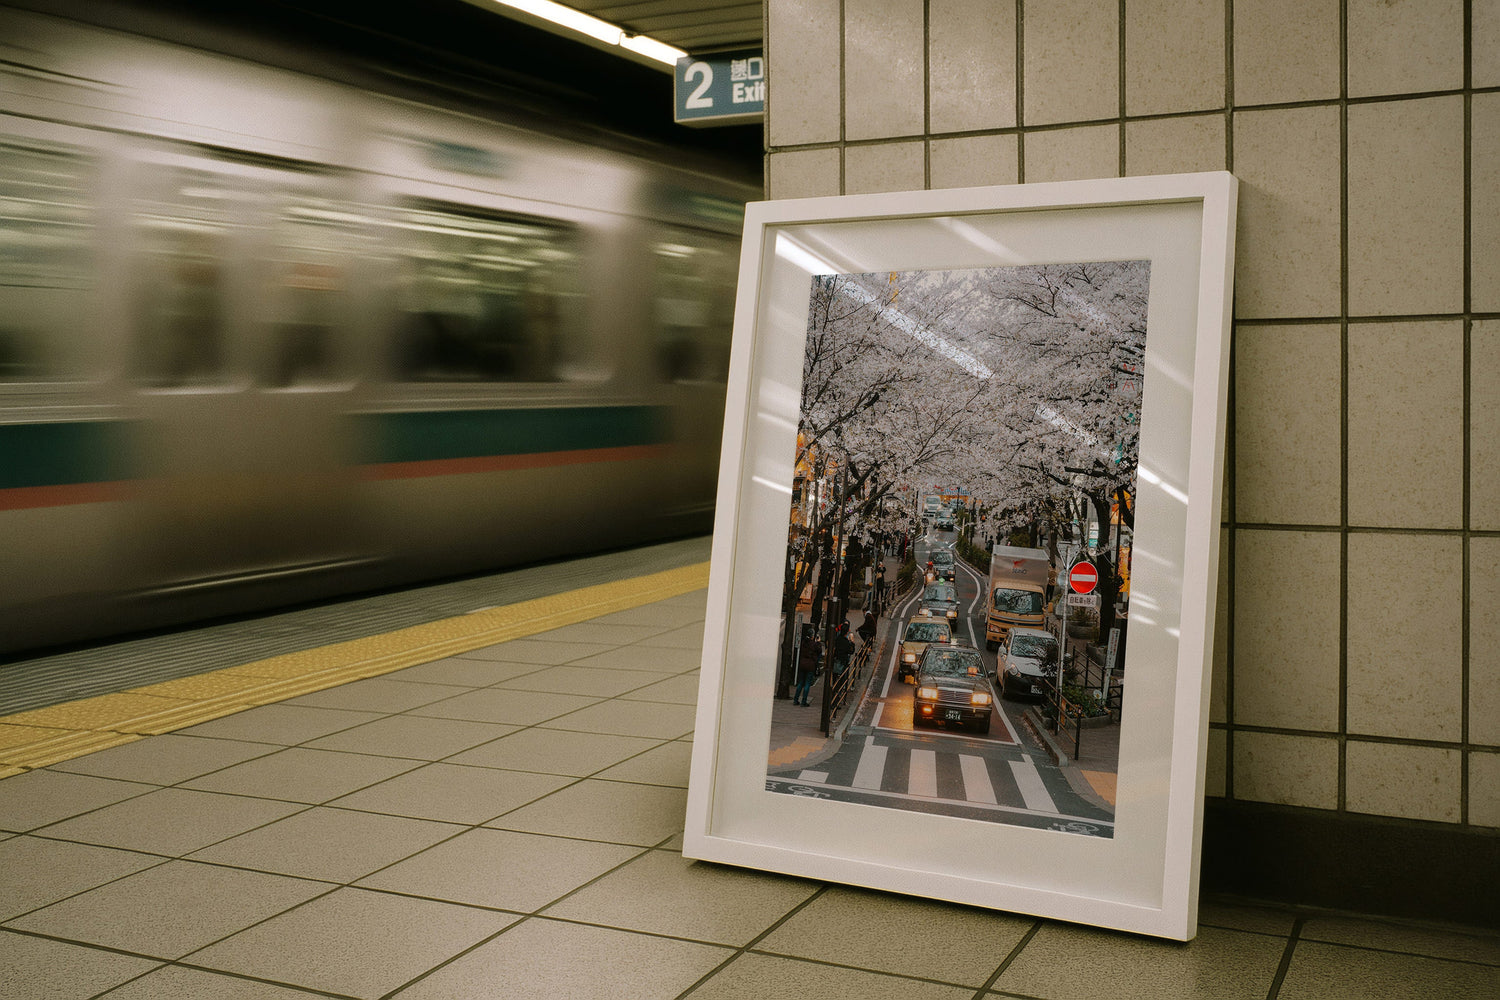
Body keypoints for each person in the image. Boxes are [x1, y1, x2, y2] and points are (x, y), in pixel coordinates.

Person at [794, 631, 821, 706]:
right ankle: (804, 701)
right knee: (807, 683)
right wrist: (818, 642)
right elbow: (819, 651)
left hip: (802, 663)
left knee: (800, 682)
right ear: (812, 636)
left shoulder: (803, 643)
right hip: (810, 665)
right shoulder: (814, 644)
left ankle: (796, 699)